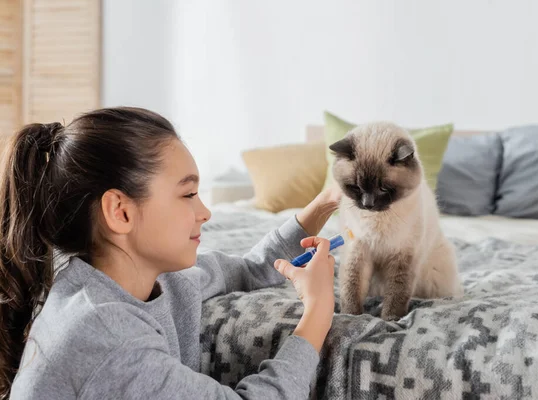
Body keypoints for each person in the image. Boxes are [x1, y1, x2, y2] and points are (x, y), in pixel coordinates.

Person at [0, 107, 339, 399]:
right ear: (120, 211)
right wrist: (318, 312)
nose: (205, 212)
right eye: (188, 193)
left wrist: (325, 204)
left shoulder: (158, 280)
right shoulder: (106, 336)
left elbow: (249, 267)